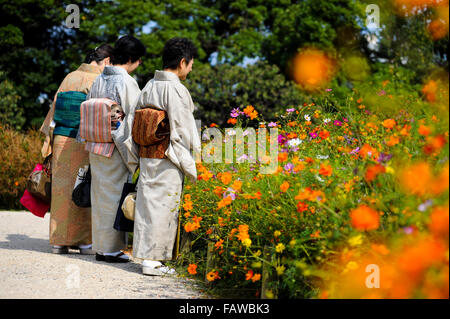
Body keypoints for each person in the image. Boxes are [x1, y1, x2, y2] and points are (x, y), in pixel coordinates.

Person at [132, 37, 201, 275]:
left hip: (146, 153)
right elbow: (183, 130)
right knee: (163, 205)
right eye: (191, 63)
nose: (191, 68)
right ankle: (153, 261)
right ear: (182, 62)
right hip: (167, 156)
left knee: (148, 204)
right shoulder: (176, 90)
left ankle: (146, 256)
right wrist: (194, 158)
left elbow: (134, 121)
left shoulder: (149, 85)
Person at [39, 44, 114, 254]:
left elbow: (53, 110)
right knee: (83, 187)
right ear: (107, 61)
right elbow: (100, 114)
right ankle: (83, 242)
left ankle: (58, 241)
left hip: (61, 139)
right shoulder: (98, 80)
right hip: (83, 140)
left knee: (61, 191)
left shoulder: (69, 76)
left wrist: (49, 142)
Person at [87, 35, 145, 263]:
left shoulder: (99, 79)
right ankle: (111, 249)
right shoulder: (127, 82)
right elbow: (133, 119)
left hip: (95, 143)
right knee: (114, 197)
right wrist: (135, 152)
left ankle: (102, 247)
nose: (139, 64)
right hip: (115, 146)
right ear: (131, 58)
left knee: (100, 195)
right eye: (139, 60)